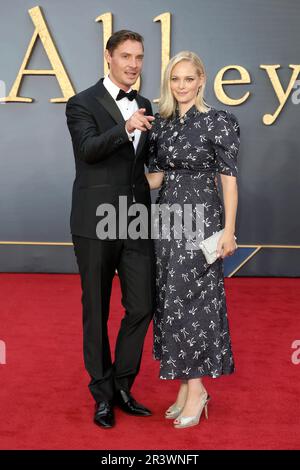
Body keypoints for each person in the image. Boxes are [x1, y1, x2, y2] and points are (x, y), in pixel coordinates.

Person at [66, 30, 156, 429]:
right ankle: (102, 394)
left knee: (142, 305)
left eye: (139, 57)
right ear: (108, 57)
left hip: (135, 219)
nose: (134, 64)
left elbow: (142, 167)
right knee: (96, 309)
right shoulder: (81, 103)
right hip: (94, 219)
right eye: (126, 56)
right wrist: (125, 126)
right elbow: (87, 150)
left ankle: (122, 384)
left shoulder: (146, 103)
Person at [146, 51, 240, 429]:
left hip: (202, 221)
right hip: (168, 219)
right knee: (170, 300)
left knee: (194, 302)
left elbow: (229, 179)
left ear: (202, 79)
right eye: (175, 79)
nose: (181, 86)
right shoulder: (163, 125)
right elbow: (154, 178)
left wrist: (229, 230)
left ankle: (198, 388)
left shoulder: (219, 121)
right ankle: (186, 386)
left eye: (188, 78)